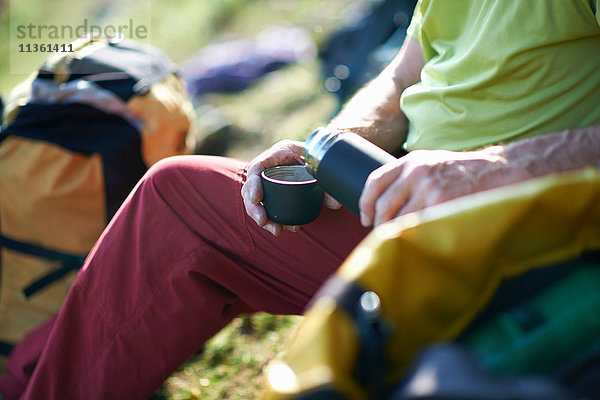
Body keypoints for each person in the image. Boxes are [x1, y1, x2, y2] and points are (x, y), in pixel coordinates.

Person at [2, 0, 600, 398]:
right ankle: (28, 374)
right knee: (205, 220)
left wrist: (492, 168)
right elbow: (398, 81)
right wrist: (328, 143)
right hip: (398, 200)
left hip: (520, 229)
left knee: (178, 199)